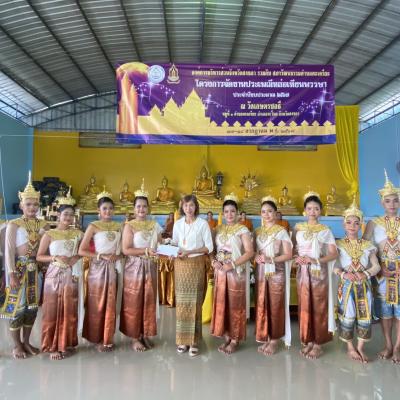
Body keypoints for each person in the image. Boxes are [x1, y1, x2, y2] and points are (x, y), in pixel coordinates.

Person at [1, 172, 48, 359]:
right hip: (18, 269)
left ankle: (27, 342)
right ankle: (16, 344)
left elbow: (46, 248)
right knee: (17, 307)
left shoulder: (44, 225)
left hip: (34, 269)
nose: (32, 207)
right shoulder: (14, 224)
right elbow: (9, 251)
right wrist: (11, 273)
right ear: (21, 205)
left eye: (35, 204)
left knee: (32, 307)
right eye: (28, 204)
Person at [292, 191, 338, 359]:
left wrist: (315, 260)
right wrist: (296, 258)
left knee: (319, 305)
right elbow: (293, 249)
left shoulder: (325, 230)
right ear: (304, 210)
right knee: (305, 305)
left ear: (321, 211)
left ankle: (318, 343)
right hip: (303, 271)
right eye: (309, 208)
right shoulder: (298, 228)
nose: (312, 211)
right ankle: (308, 340)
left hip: (319, 271)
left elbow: (333, 254)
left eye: (316, 208)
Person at [334, 199, 380, 363]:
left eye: (356, 223)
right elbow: (334, 266)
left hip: (364, 285)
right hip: (346, 285)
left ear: (361, 225)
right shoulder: (338, 244)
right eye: (349, 222)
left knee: (364, 314)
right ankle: (350, 347)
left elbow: (376, 266)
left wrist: (366, 274)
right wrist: (343, 274)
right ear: (343, 224)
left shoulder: (368, 245)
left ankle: (360, 347)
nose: (352, 226)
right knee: (348, 315)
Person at [37, 198, 83, 361]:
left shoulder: (78, 234)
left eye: (71, 215)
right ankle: (52, 346)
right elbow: (39, 256)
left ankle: (66, 343)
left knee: (69, 309)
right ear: (58, 215)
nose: (68, 218)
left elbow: (82, 251)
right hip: (54, 274)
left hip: (71, 274)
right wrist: (55, 257)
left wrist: (75, 258)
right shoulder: (49, 234)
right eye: (65, 214)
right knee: (52, 309)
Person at [78, 189, 123, 352]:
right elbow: (81, 250)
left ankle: (107, 338)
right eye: (104, 208)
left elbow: (122, 250)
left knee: (111, 303)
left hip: (113, 268)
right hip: (97, 268)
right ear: (99, 210)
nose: (108, 211)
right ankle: (95, 337)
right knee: (96, 303)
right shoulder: (93, 226)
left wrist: (118, 256)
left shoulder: (119, 226)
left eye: (110, 208)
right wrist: (100, 256)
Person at [363, 170, 400, 364]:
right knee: (385, 311)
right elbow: (364, 248)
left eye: (395, 200)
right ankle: (388, 344)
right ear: (382, 203)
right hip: (383, 273)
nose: (392, 204)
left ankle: (398, 347)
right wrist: (377, 266)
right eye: (388, 201)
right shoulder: (373, 223)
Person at [120, 183, 162, 352]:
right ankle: (134, 337)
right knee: (134, 301)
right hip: (134, 267)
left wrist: (166, 250)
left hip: (150, 266)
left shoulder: (154, 225)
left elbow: (159, 245)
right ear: (134, 208)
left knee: (149, 300)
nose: (141, 209)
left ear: (148, 208)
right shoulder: (129, 225)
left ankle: (145, 333)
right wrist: (145, 251)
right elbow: (126, 249)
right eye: (138, 206)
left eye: (144, 206)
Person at [210, 194, 254, 354]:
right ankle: (227, 336)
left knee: (236, 305)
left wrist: (233, 264)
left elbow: (249, 252)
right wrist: (213, 261)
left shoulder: (242, 229)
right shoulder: (218, 229)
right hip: (221, 272)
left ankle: (235, 339)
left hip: (236, 272)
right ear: (223, 213)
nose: (229, 214)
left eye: (232, 211)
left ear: (237, 213)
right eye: (226, 211)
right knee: (222, 303)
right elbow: (211, 250)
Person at [172, 194, 213, 357]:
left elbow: (209, 247)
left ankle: (194, 341)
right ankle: (182, 340)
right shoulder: (177, 224)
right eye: (185, 205)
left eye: (191, 205)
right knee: (182, 302)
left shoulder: (202, 224)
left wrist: (190, 251)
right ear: (182, 207)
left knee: (195, 302)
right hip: (180, 265)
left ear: (196, 207)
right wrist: (170, 250)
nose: (188, 209)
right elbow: (175, 243)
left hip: (196, 264)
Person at [254, 196, 293, 355]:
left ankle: (275, 339)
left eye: (270, 211)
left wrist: (271, 259)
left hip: (277, 270)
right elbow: (254, 251)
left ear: (276, 213)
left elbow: (289, 254)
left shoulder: (281, 231)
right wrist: (256, 257)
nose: (267, 214)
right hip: (261, 270)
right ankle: (266, 335)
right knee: (262, 303)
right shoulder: (257, 231)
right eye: (264, 212)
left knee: (276, 304)